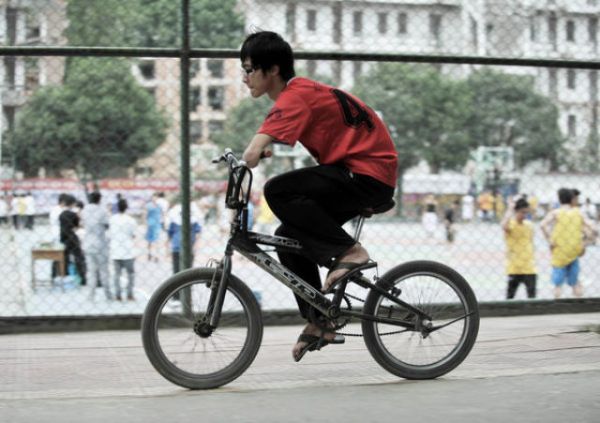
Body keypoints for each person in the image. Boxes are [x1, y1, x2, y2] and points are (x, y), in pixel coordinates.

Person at [239, 31, 397, 361]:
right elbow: (282, 135)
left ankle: (349, 251)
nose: (245, 77)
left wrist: (251, 154)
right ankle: (320, 320)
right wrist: (262, 150)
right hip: (359, 174)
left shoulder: (295, 95)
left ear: (273, 69)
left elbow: (253, 150)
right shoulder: (301, 94)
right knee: (287, 237)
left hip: (366, 174)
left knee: (277, 190)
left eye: (250, 69)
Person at [540, 188, 597, 299]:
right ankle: (579, 303)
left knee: (557, 284)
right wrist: (585, 242)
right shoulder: (578, 213)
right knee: (575, 282)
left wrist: (550, 239)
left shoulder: (556, 213)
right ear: (571, 199)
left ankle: (556, 302)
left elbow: (542, 225)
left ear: (559, 199)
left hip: (559, 251)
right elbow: (592, 229)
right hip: (574, 250)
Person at [501, 197, 537, 299]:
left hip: (529, 267)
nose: (524, 215)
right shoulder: (511, 224)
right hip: (514, 267)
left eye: (526, 213)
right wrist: (510, 209)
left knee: (532, 297)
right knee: (510, 297)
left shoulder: (529, 225)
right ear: (516, 211)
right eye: (522, 212)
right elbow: (504, 226)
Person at [81, 191, 111, 301]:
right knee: (104, 271)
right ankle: (108, 294)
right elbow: (107, 225)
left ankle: (91, 295)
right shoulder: (102, 210)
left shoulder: (84, 210)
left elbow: (83, 223)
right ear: (99, 199)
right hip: (100, 243)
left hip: (88, 243)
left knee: (91, 271)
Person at [109, 198, 137, 301]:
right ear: (126, 208)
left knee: (117, 274)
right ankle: (130, 294)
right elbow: (133, 234)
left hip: (115, 249)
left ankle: (118, 295)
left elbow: (109, 234)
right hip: (127, 250)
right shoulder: (130, 220)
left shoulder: (112, 219)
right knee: (130, 273)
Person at [165, 200, 202, 276]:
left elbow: (169, 237)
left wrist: (195, 247)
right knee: (181, 271)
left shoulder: (192, 222)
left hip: (184, 248)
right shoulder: (175, 222)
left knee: (183, 272)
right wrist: (167, 249)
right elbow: (169, 236)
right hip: (179, 249)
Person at [59, 195, 87, 286]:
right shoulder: (73, 214)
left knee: (65, 258)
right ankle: (83, 278)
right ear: (72, 204)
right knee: (79, 258)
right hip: (72, 238)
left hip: (64, 238)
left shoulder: (61, 215)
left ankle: (64, 276)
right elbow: (77, 226)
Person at [145, 193, 163, 262]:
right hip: (150, 224)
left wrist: (163, 222)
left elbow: (161, 214)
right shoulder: (148, 206)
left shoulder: (159, 206)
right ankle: (149, 253)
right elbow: (145, 214)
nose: (154, 199)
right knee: (149, 241)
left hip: (157, 225)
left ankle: (156, 255)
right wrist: (145, 223)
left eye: (155, 197)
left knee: (157, 240)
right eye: (153, 197)